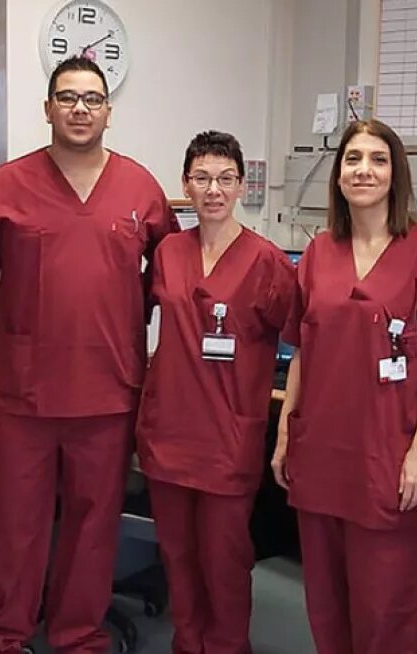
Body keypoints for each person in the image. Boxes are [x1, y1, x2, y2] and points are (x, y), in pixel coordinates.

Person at [0, 55, 178, 654]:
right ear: (47, 108)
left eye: (93, 98)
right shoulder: (6, 185)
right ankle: (5, 633)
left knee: (92, 523)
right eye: (68, 97)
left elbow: (177, 281)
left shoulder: (142, 189)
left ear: (109, 111)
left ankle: (79, 634)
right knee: (12, 522)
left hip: (109, 390)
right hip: (26, 390)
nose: (81, 108)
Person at [272, 119, 417, 654]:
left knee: (387, 612)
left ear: (395, 174)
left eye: (378, 159)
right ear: (337, 177)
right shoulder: (317, 253)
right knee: (326, 607)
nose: (364, 170)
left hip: (388, 455)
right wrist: (287, 433)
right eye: (353, 159)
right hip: (322, 456)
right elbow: (304, 350)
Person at [135, 131, 295, 654]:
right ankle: (188, 644)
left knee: (224, 563)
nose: (213, 189)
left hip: (228, 439)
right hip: (169, 434)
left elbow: (303, 342)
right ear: (185, 183)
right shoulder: (167, 255)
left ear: (241, 186)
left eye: (225, 179)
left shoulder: (268, 262)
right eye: (201, 178)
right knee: (178, 560)